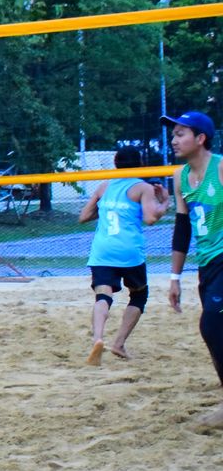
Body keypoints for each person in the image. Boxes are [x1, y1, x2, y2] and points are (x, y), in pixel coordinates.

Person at [80, 148, 168, 365]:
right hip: (129, 251)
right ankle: (118, 343)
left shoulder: (104, 186)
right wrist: (164, 203)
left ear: (116, 164)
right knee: (139, 295)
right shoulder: (143, 187)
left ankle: (98, 339)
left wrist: (106, 209)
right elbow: (150, 218)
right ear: (140, 164)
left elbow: (84, 216)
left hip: (103, 250)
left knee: (103, 296)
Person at [165, 111, 223, 428]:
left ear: (200, 138)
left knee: (211, 325)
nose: (173, 140)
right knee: (215, 331)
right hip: (207, 265)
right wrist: (175, 278)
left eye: (180, 134)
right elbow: (182, 230)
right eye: (173, 134)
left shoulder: (220, 168)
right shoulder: (180, 177)